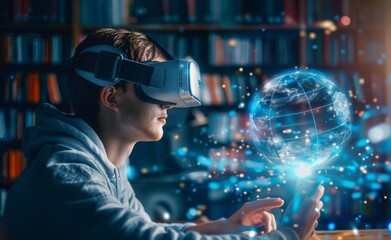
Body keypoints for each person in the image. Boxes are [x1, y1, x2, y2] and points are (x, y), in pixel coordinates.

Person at [4, 28, 324, 240]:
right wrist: (289, 235)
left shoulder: (105, 167)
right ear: (112, 97)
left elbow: (141, 229)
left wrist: (224, 226)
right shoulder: (67, 175)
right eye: (156, 88)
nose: (168, 106)